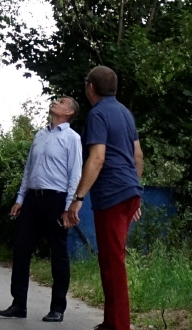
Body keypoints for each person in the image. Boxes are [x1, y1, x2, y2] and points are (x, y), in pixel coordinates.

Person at [64, 66, 142, 330]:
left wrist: (78, 197)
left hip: (112, 194)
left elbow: (97, 158)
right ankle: (111, 322)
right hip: (128, 192)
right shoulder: (125, 113)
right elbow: (138, 156)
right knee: (109, 258)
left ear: (90, 87)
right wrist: (135, 190)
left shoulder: (98, 114)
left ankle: (119, 325)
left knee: (113, 262)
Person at [0, 96, 83, 323]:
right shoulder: (40, 135)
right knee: (21, 249)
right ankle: (18, 304)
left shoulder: (72, 138)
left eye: (61, 102)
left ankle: (57, 308)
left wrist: (68, 207)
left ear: (69, 112)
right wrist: (20, 198)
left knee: (58, 253)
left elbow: (75, 175)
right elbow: (29, 169)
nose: (56, 102)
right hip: (33, 199)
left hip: (57, 200)